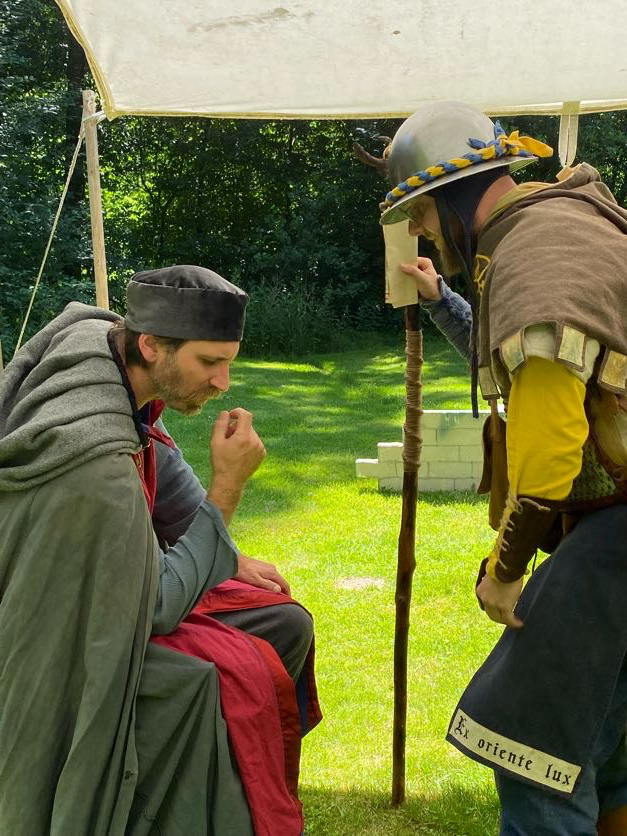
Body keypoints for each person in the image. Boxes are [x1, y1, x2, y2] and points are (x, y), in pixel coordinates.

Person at [375, 101, 627, 835]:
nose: (421, 230)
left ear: (452, 195)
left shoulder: (536, 262)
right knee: (604, 743)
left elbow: (549, 445)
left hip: (614, 539)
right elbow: (540, 367)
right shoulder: (562, 226)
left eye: (422, 213)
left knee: (533, 749)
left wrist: (505, 569)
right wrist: (443, 302)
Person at [0, 265, 320, 835]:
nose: (223, 382)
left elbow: (159, 459)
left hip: (115, 592)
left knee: (283, 620)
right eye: (209, 362)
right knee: (220, 676)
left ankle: (238, 774)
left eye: (229, 361)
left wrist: (221, 548)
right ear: (151, 345)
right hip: (66, 640)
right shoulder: (97, 466)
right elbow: (157, 607)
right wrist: (227, 489)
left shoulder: (105, 348)